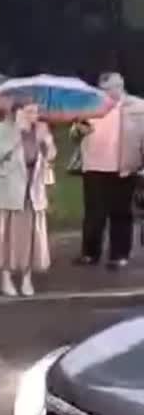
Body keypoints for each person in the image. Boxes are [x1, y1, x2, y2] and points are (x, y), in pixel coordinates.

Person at [71, 72, 144, 270]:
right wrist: (78, 131)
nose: (106, 93)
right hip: (93, 167)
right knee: (94, 214)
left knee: (121, 213)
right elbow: (74, 133)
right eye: (103, 89)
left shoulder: (137, 107)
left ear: (120, 86)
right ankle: (90, 253)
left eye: (110, 89)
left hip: (124, 167)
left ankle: (119, 255)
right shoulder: (90, 105)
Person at [0, 99, 55, 296]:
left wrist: (47, 142)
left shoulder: (41, 129)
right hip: (8, 191)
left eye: (36, 111)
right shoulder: (2, 128)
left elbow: (50, 156)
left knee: (29, 238)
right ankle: (5, 278)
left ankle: (26, 278)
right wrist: (17, 133)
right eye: (30, 111)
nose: (34, 115)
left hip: (32, 190)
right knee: (6, 236)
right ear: (18, 112)